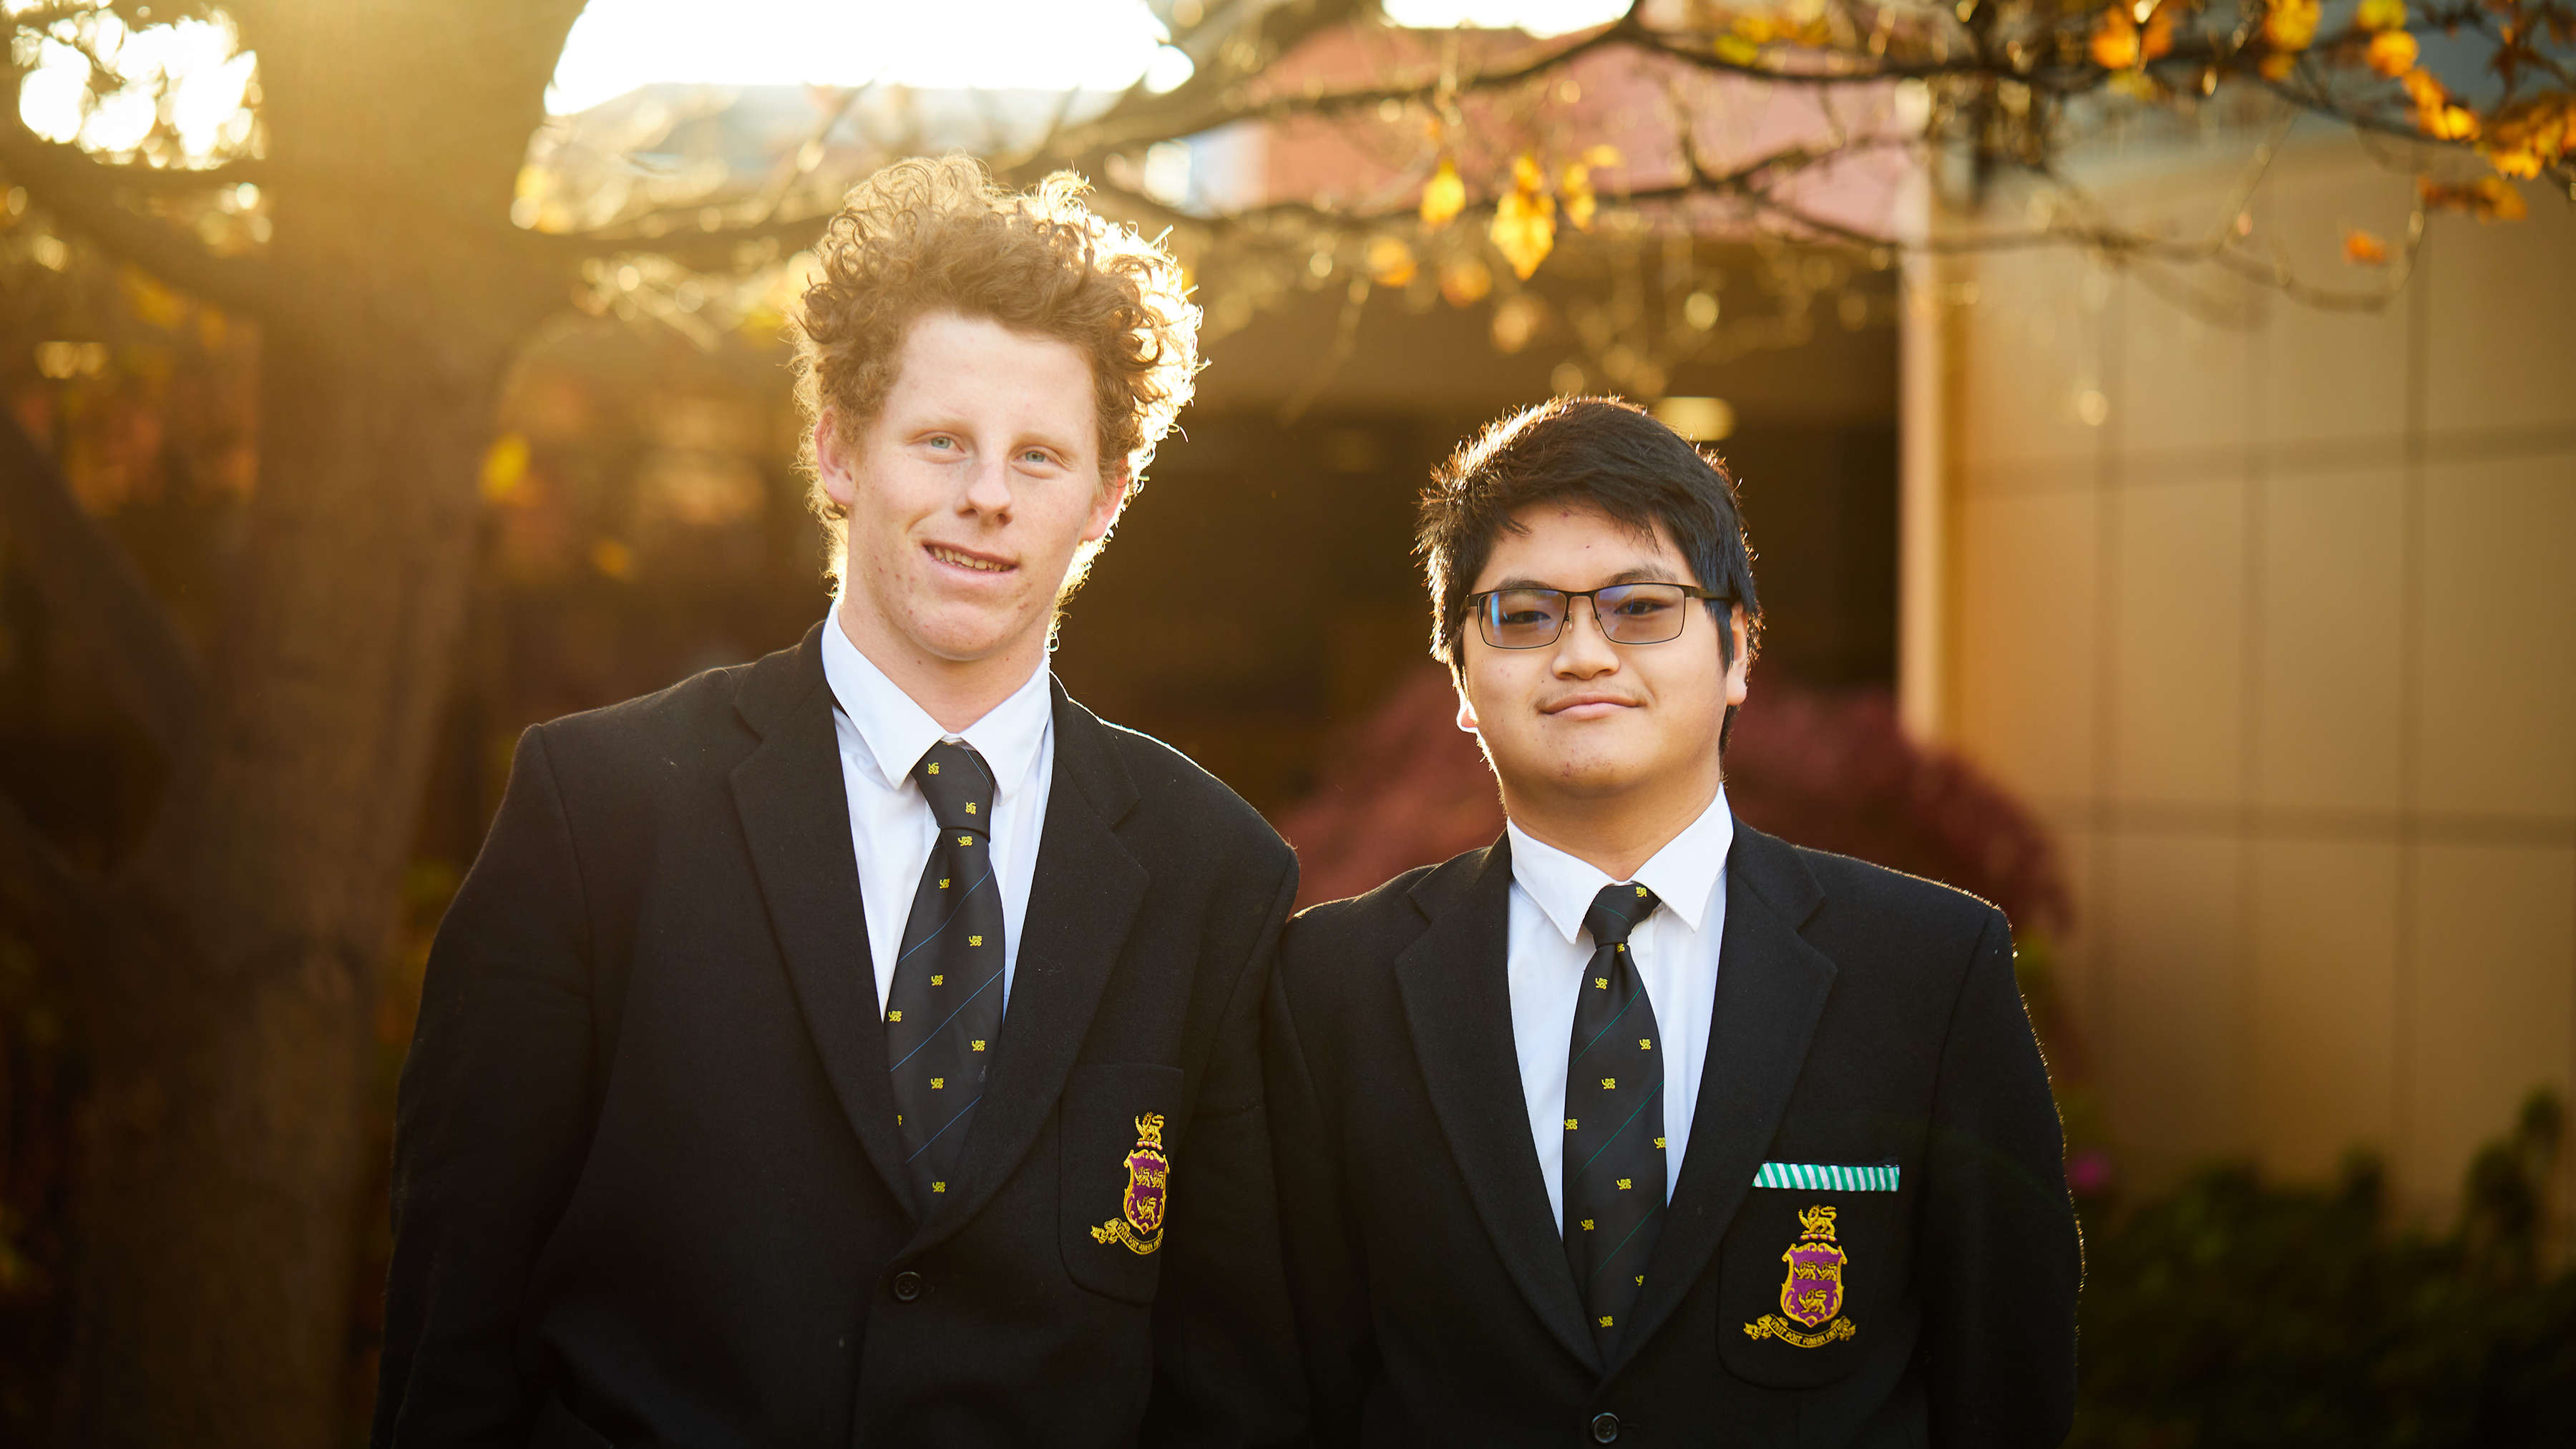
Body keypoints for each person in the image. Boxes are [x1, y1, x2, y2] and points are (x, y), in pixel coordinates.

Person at [376, 157, 1302, 1448]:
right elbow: (450, 1331)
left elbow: (1230, 1387)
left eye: (1039, 456)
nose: (987, 492)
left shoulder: (1217, 873)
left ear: (1104, 500)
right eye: (942, 440)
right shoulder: (599, 812)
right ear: (839, 449)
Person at [1265, 396, 2079, 1446]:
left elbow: (2007, 1384)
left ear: (1738, 649)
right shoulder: (1332, 983)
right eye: (1524, 614)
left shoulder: (1930, 970)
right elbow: (1289, 1385)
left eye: (1640, 607)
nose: (1585, 654)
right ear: (1460, 678)